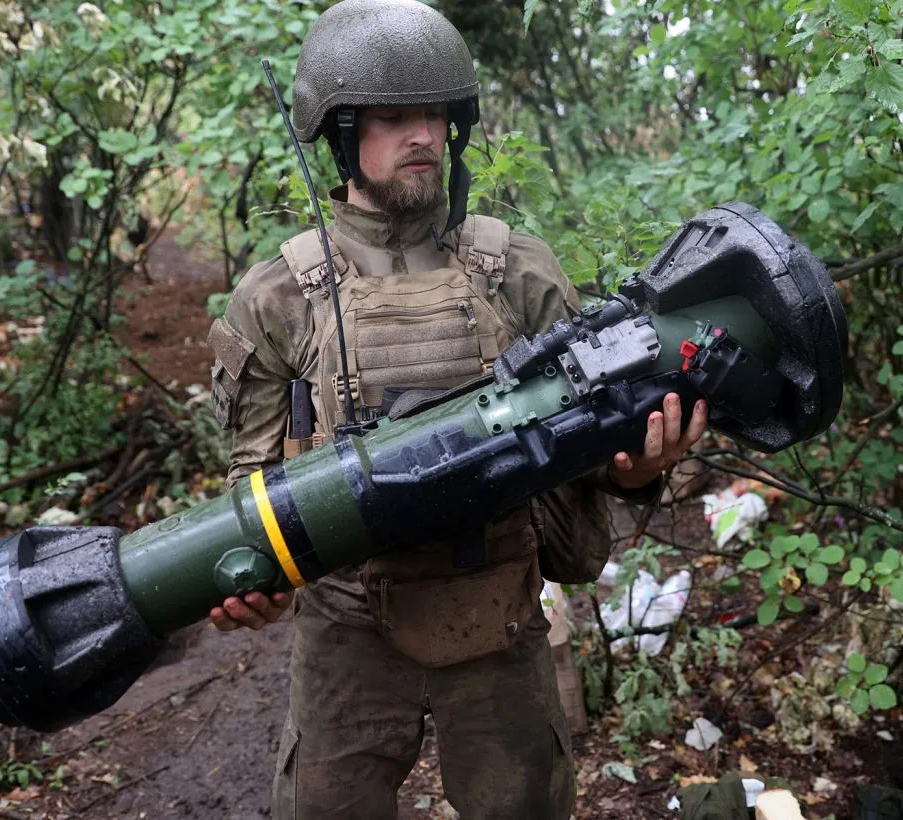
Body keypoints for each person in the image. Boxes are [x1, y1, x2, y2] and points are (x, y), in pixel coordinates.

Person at [205, 1, 706, 817]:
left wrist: (638, 467)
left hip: (499, 617)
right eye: (392, 116)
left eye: (435, 114)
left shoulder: (521, 272)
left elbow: (591, 447)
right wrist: (251, 584)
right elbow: (251, 490)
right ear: (339, 134)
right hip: (346, 637)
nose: (422, 136)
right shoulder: (276, 300)